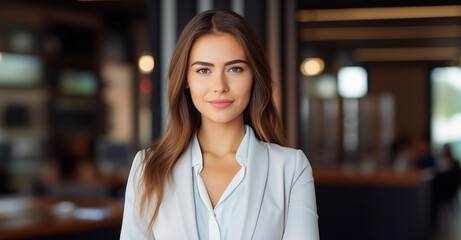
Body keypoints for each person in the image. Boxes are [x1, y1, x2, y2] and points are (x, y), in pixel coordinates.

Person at [120, 10, 319, 240]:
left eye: (235, 69)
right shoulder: (148, 167)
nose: (219, 86)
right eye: (204, 70)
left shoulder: (290, 169)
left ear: (253, 76)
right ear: (185, 79)